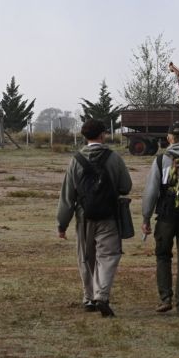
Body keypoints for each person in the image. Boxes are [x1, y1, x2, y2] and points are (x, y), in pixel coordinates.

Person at [56, 118, 132, 317]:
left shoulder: (75, 160)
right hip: (109, 215)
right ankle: (102, 295)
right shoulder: (114, 158)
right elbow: (126, 186)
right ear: (103, 134)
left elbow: (67, 196)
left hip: (84, 217)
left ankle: (88, 298)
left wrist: (62, 224)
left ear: (84, 136)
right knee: (108, 256)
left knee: (86, 257)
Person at [141, 122, 179, 318]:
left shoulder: (161, 160)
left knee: (163, 255)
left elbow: (151, 191)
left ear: (169, 138)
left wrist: (146, 217)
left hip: (167, 213)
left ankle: (165, 298)